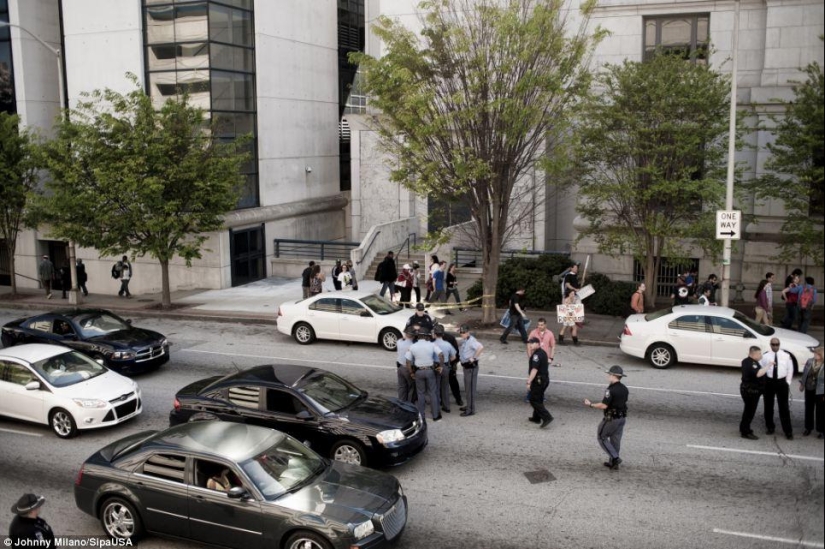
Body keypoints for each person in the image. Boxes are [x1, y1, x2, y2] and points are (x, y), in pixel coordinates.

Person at [584, 365, 629, 470]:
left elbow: (604, 405)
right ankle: (613, 464)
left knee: (601, 436)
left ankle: (615, 458)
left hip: (611, 419)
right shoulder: (624, 388)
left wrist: (591, 404)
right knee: (615, 440)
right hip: (622, 418)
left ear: (613, 375)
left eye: (609, 374)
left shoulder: (610, 390)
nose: (608, 376)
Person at [406, 328, 444, 421]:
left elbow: (408, 361)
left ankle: (421, 416)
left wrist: (411, 372)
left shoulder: (412, 346)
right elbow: (441, 355)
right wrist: (441, 366)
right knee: (433, 393)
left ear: (418, 336)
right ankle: (435, 415)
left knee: (420, 394)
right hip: (430, 371)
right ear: (427, 335)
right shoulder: (432, 345)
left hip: (418, 372)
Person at [760, 338, 794, 439]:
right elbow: (761, 369)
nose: (775, 346)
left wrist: (787, 382)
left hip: (781, 382)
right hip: (769, 382)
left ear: (779, 344)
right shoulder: (765, 356)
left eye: (777, 344)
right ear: (770, 345)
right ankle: (770, 427)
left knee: (784, 408)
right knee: (768, 406)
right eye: (773, 344)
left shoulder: (786, 355)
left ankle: (788, 431)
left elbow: (790, 370)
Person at [740, 346, 769, 440]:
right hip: (751, 392)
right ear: (754, 354)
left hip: (747, 389)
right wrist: (769, 366)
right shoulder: (753, 364)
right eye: (759, 353)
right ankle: (745, 431)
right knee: (749, 412)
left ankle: (743, 428)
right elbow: (758, 374)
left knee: (747, 410)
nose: (761, 355)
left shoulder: (745, 360)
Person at [526, 337, 553, 429]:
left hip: (539, 381)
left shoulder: (536, 355)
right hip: (544, 379)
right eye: (530, 344)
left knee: (533, 399)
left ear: (537, 343)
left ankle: (547, 417)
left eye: (532, 343)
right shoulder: (542, 352)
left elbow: (534, 369)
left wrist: (529, 381)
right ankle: (536, 417)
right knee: (539, 398)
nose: (530, 345)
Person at [798, 346, 824, 438]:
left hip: (821, 391)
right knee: (808, 408)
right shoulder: (810, 361)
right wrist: (802, 384)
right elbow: (805, 373)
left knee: (820, 411)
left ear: (821, 355)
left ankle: (821, 430)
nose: (814, 355)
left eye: (816, 354)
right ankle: (808, 428)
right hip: (809, 388)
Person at [458, 325, 483, 417]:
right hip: (466, 367)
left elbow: (480, 347)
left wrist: (474, 357)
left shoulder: (472, 341)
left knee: (470, 389)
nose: (462, 334)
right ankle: (468, 405)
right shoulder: (466, 339)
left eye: (463, 333)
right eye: (461, 333)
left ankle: (471, 410)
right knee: (467, 388)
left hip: (471, 367)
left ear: (468, 332)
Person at [433, 325, 458, 414]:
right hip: (445, 367)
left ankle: (436, 408)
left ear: (435, 334)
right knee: (445, 387)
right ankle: (446, 407)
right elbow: (454, 357)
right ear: (442, 334)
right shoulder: (448, 344)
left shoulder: (432, 345)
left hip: (435, 367)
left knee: (435, 388)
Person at [441, 327, 464, 407]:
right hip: (445, 364)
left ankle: (458, 398)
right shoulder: (434, 338)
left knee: (452, 382)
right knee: (443, 382)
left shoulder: (449, 338)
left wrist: (453, 363)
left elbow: (456, 353)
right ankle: (443, 399)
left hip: (449, 363)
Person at [396, 328, 416, 402]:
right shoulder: (413, 345)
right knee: (412, 387)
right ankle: (409, 404)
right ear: (414, 336)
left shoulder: (399, 342)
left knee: (401, 387)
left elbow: (401, 339)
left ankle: (401, 403)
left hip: (400, 367)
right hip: (409, 368)